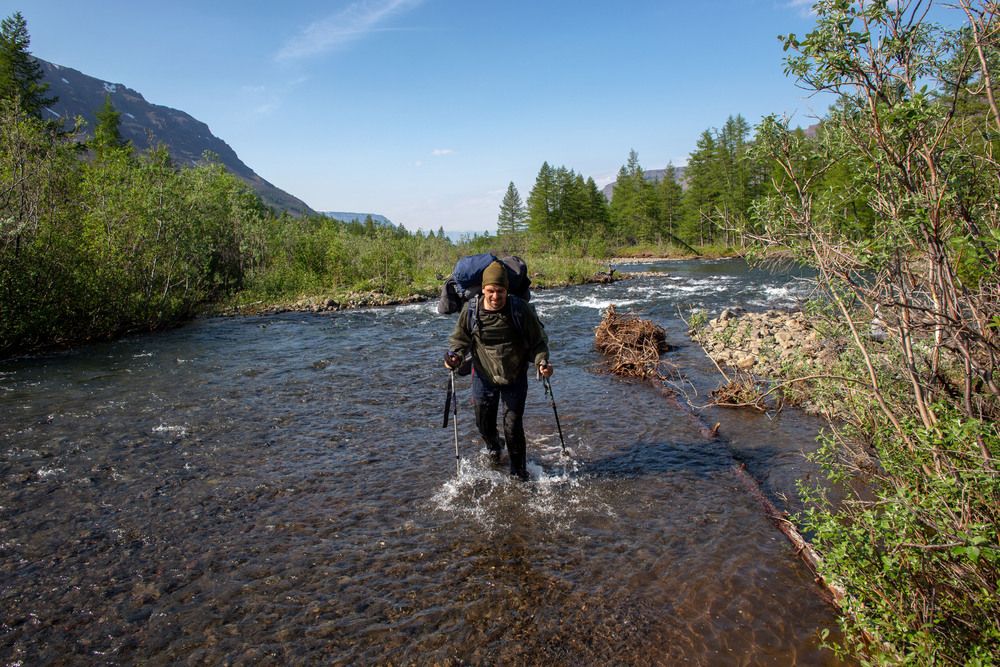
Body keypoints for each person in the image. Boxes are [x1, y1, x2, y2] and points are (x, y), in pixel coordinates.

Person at [444, 260, 552, 480]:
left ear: (507, 290)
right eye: (491, 291)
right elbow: (460, 340)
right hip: (483, 375)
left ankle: (518, 473)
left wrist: (542, 362)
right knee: (483, 423)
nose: (495, 296)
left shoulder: (520, 309)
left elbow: (538, 343)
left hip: (515, 374)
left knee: (512, 425)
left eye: (500, 291)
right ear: (483, 289)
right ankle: (494, 447)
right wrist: (454, 356)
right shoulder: (471, 310)